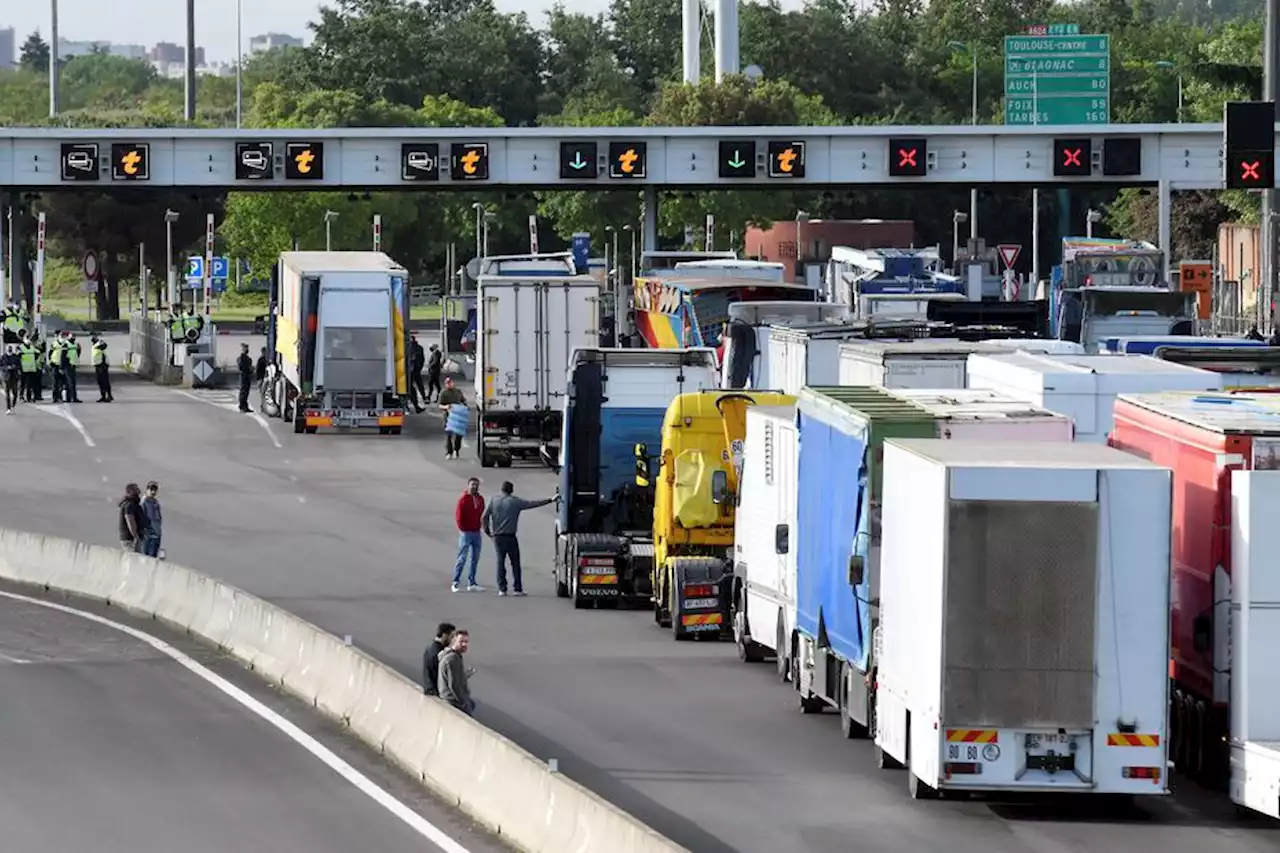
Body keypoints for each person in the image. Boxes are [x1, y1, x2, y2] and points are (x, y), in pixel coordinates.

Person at [482, 481, 556, 597]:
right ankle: (517, 588)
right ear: (511, 490)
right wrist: (550, 500)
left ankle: (502, 589)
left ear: (501, 489)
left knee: (500, 562)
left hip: (497, 536)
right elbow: (532, 503)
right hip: (510, 536)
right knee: (515, 563)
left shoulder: (494, 500)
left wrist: (487, 530)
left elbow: (485, 516)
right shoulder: (514, 501)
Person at [452, 477, 486, 592]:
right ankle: (455, 581)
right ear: (468, 485)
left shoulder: (480, 499)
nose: (474, 487)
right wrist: (463, 528)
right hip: (466, 532)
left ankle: (472, 582)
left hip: (476, 532)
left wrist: (478, 526)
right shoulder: (463, 499)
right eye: (472, 484)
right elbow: (459, 516)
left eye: (476, 485)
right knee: (462, 557)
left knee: (474, 558)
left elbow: (481, 511)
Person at [436, 629, 475, 715]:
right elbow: (454, 685)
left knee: (472, 704)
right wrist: (463, 703)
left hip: (449, 698)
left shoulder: (451, 656)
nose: (464, 644)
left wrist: (465, 675)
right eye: (461, 641)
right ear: (454, 641)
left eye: (466, 642)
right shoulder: (453, 659)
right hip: (452, 701)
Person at [422, 622, 456, 695]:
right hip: (435, 691)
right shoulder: (439, 653)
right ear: (445, 635)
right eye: (451, 636)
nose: (453, 640)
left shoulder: (430, 648)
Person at [438, 377, 467, 459]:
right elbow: (440, 405)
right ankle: (449, 452)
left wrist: (464, 405)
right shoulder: (443, 393)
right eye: (447, 383)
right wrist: (446, 406)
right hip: (448, 415)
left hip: (458, 415)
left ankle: (456, 450)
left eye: (450, 382)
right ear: (445, 384)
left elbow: (463, 400)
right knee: (448, 435)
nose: (449, 384)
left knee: (459, 434)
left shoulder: (458, 391)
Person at [118, 483, 149, 553]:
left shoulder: (134, 504)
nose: (139, 491)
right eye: (136, 489)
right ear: (130, 491)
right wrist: (136, 536)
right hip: (130, 539)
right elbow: (130, 520)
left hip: (133, 539)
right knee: (134, 558)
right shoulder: (129, 505)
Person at [141, 481, 163, 558]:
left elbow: (159, 518)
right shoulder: (144, 502)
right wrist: (147, 530)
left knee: (154, 556)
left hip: (157, 534)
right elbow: (142, 518)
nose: (153, 492)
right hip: (148, 534)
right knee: (146, 556)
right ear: (147, 490)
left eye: (155, 490)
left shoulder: (156, 503)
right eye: (151, 489)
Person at [91, 335, 114, 402]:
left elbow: (104, 345)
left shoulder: (100, 343)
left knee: (104, 381)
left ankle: (109, 395)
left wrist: (99, 345)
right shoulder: (94, 346)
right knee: (100, 381)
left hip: (102, 365)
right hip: (97, 365)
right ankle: (103, 396)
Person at [409, 333, 427, 413]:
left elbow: (422, 359)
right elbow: (422, 359)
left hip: (411, 370)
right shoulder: (419, 348)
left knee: (412, 387)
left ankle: (416, 405)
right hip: (415, 370)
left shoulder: (408, 347)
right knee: (418, 385)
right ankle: (422, 399)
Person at [0, 344, 20, 414]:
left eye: (10, 348)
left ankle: (13, 406)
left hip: (14, 376)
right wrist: (6, 368)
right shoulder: (3, 357)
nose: (9, 349)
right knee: (7, 393)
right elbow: (1, 366)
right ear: (6, 349)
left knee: (15, 393)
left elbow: (19, 365)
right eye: (8, 348)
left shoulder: (15, 357)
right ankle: (8, 408)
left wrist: (14, 367)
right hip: (6, 377)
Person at [63, 332, 82, 403]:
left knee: (71, 382)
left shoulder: (76, 344)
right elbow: (63, 356)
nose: (73, 337)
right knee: (70, 382)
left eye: (74, 336)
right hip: (67, 365)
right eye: (72, 336)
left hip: (73, 365)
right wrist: (62, 366)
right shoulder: (66, 344)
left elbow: (78, 352)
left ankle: (71, 398)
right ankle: (72, 397)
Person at [19, 332, 38, 403]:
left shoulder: (32, 347)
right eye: (27, 338)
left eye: (29, 338)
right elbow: (18, 358)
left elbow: (37, 354)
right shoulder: (21, 347)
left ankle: (29, 397)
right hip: (23, 369)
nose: (28, 340)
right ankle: (21, 397)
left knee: (30, 384)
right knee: (23, 384)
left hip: (31, 368)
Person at [48, 332, 65, 402]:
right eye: (61, 335)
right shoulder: (54, 343)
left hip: (62, 365)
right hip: (55, 365)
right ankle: (55, 397)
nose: (62, 337)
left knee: (61, 383)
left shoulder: (65, 344)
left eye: (63, 335)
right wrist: (51, 362)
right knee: (55, 382)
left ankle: (60, 397)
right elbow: (50, 354)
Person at [237, 343, 254, 413]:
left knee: (246, 392)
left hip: (247, 376)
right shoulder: (242, 358)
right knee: (243, 391)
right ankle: (242, 406)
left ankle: (245, 406)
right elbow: (242, 367)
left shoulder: (246, 358)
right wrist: (249, 368)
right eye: (246, 348)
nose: (247, 350)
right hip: (244, 376)